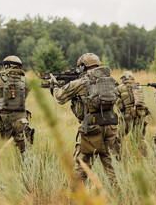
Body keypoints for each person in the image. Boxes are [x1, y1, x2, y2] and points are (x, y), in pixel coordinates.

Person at [49, 53, 121, 183]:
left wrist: (54, 85)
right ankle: (119, 196)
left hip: (92, 129)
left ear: (83, 66)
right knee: (112, 167)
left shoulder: (81, 82)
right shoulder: (111, 80)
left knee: (82, 167)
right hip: (111, 127)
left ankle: (76, 197)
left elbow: (59, 98)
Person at [115, 71, 149, 153]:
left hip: (127, 114)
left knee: (117, 136)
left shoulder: (121, 87)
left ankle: (117, 155)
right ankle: (145, 155)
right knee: (139, 138)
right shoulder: (138, 86)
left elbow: (113, 95)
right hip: (140, 114)